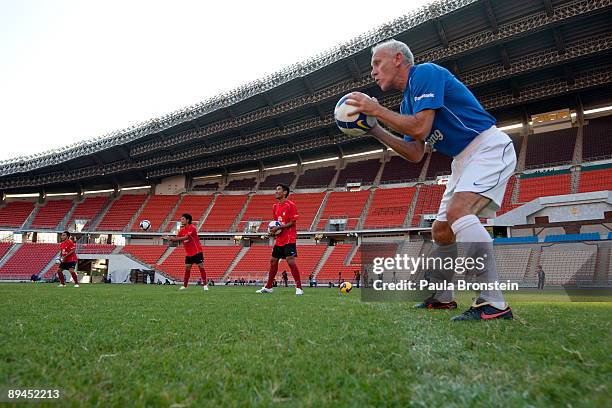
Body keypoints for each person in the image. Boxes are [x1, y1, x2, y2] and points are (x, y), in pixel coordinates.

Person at [347, 39, 515, 321]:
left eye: (377, 63)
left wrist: (376, 110)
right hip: (461, 159)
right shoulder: (407, 101)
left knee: (457, 212)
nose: (373, 72)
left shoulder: (424, 73)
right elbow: (414, 152)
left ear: (398, 58)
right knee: (441, 231)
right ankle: (443, 297)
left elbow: (421, 126)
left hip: (486, 146)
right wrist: (374, 129)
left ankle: (494, 302)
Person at [257, 184, 303, 295]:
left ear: (285, 192)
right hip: (279, 239)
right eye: (276, 189)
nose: (276, 191)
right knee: (273, 261)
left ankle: (299, 287)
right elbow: (276, 223)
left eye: (279, 189)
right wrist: (273, 231)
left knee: (290, 260)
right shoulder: (275, 206)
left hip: (289, 238)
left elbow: (293, 222)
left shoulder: (290, 205)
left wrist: (279, 227)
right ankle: (268, 287)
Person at [162, 213, 208, 291]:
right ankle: (185, 285)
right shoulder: (182, 230)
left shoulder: (192, 228)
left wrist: (173, 239)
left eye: (183, 219)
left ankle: (205, 285)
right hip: (188, 253)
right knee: (187, 268)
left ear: (188, 220)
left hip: (197, 252)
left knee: (201, 267)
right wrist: (168, 239)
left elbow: (186, 237)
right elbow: (177, 240)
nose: (181, 220)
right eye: (181, 219)